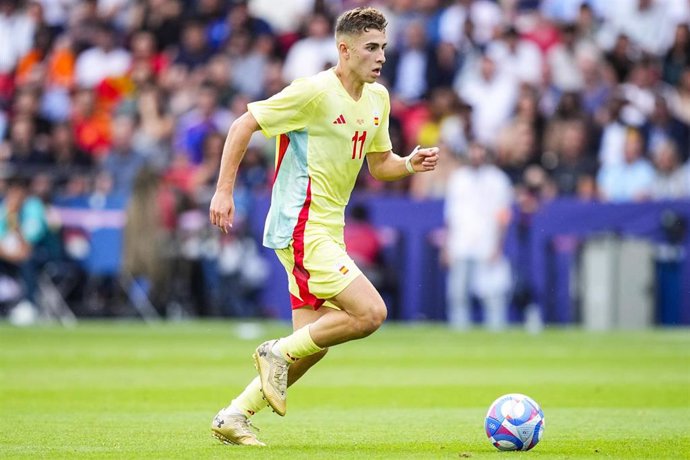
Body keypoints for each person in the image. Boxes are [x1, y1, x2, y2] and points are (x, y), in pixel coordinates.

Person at [208, 7, 439, 446]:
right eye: (371, 48)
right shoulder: (312, 92)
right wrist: (223, 191)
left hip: (327, 228)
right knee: (371, 313)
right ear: (344, 49)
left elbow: (380, 164)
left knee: (311, 345)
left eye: (384, 48)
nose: (381, 57)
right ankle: (273, 351)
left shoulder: (378, 99)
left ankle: (234, 415)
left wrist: (408, 164)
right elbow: (243, 125)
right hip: (300, 223)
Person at [443, 142, 513, 332]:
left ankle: (496, 331)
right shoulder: (458, 179)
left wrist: (498, 245)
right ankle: (459, 332)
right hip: (461, 242)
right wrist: (446, 247)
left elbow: (503, 215)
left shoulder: (498, 180)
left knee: (492, 294)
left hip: (486, 242)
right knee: (458, 294)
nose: (476, 156)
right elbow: (450, 215)